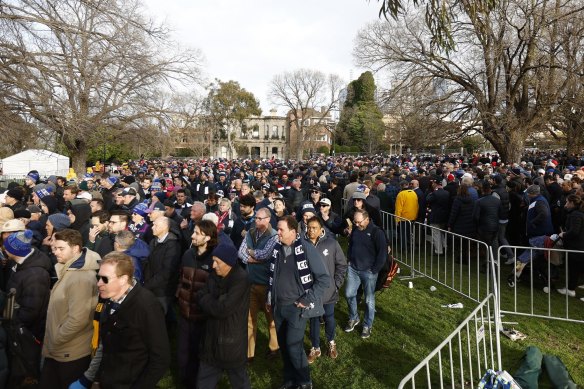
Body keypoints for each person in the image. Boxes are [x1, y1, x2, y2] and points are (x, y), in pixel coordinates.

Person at [69, 252, 170, 389]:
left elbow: (160, 358)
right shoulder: (109, 299)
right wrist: (96, 379)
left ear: (123, 279)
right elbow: (105, 346)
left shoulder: (146, 306)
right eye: (98, 277)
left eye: (104, 279)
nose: (98, 283)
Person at [268, 216, 330, 389]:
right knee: (283, 345)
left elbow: (324, 279)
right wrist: (270, 298)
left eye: (281, 230)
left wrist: (307, 299)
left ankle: (304, 381)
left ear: (293, 232)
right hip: (278, 306)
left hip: (296, 308)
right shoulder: (277, 249)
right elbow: (272, 277)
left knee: (293, 346)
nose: (277, 232)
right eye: (277, 229)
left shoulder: (306, 248)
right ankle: (289, 380)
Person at [39, 229, 99, 389]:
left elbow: (78, 319)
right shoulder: (69, 270)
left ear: (76, 248)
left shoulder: (80, 278)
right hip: (61, 349)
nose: (55, 252)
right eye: (54, 248)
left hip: (69, 352)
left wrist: (55, 340)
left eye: (60, 248)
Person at [196, 244, 251, 388]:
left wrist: (208, 300)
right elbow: (200, 294)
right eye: (213, 261)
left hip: (230, 342)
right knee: (203, 381)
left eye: (217, 262)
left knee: (239, 379)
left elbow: (222, 309)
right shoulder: (215, 274)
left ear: (229, 263)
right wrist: (212, 300)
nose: (213, 266)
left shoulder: (241, 279)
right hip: (210, 339)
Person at [4, 230, 52, 386]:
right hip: (17, 331)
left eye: (6, 246)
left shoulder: (35, 275)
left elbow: (31, 311)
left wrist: (12, 322)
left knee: (23, 374)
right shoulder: (19, 264)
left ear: (13, 250)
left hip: (25, 336)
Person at [176, 220, 217, 388]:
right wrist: (179, 295)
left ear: (207, 237)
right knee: (182, 354)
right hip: (185, 312)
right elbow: (181, 278)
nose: (192, 236)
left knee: (200, 354)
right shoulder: (188, 255)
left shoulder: (215, 258)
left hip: (203, 316)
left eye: (197, 233)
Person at [237, 207, 279, 363]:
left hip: (266, 284)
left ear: (268, 219)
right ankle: (249, 353)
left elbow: (266, 254)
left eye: (260, 218)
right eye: (256, 218)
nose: (256, 220)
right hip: (250, 283)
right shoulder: (250, 232)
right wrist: (252, 257)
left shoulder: (274, 236)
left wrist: (251, 253)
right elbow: (240, 252)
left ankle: (274, 348)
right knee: (249, 319)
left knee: (271, 320)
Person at [304, 217, 347, 364]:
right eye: (309, 227)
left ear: (321, 229)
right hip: (311, 292)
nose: (311, 230)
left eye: (314, 228)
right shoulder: (301, 245)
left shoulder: (332, 243)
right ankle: (315, 347)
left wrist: (336, 284)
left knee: (329, 317)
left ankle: (331, 342)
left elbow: (341, 265)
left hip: (329, 291)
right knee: (314, 319)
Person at [344, 209, 387, 339]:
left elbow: (382, 253)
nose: (356, 224)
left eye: (359, 222)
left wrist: (374, 270)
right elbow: (351, 245)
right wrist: (350, 260)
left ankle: (367, 325)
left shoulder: (377, 232)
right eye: (354, 222)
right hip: (353, 268)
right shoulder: (356, 230)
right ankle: (354, 317)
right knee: (349, 293)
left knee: (369, 300)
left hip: (369, 271)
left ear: (367, 219)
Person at [143, 216, 182, 315]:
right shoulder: (153, 242)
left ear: (165, 227)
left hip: (162, 292)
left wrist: (148, 285)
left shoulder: (173, 246)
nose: (152, 227)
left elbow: (167, 272)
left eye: (156, 225)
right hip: (150, 287)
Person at [556, 194, 584, 298]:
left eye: (567, 202)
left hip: (576, 247)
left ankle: (570, 289)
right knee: (575, 269)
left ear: (572, 203)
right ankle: (570, 288)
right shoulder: (577, 213)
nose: (566, 204)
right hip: (577, 246)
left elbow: (574, 231)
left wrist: (564, 234)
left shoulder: (576, 215)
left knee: (574, 269)